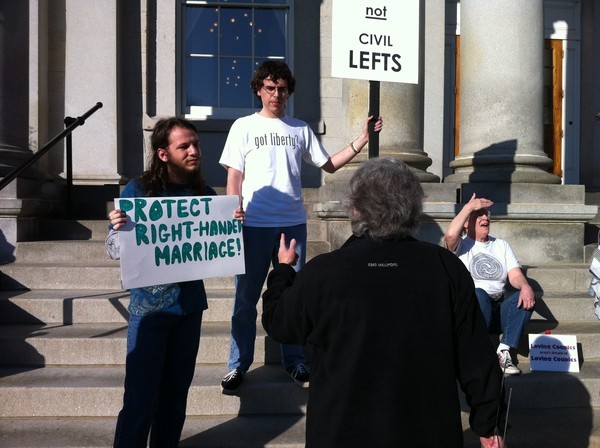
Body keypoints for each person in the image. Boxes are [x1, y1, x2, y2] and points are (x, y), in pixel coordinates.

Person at [261, 158, 507, 448]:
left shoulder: (324, 271)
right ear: (414, 208)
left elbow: (280, 324)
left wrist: (283, 271)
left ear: (355, 209)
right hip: (426, 430)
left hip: (342, 431)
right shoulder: (444, 267)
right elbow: (476, 358)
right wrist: (489, 424)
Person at [218, 60, 383, 394]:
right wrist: (231, 211)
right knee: (245, 299)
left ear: (288, 91)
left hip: (291, 225)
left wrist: (362, 139)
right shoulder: (243, 127)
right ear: (258, 89)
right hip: (252, 225)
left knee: (295, 296)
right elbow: (234, 176)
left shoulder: (300, 129)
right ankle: (238, 365)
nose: (276, 94)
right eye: (269, 87)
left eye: (281, 88)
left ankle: (295, 359)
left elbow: (329, 165)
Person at [106, 117, 217, 448]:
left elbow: (215, 248)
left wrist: (230, 226)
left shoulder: (206, 193)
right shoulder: (138, 191)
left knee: (175, 397)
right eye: (184, 146)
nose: (194, 151)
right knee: (140, 398)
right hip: (150, 311)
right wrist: (117, 230)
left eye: (196, 144)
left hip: (189, 308)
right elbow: (114, 252)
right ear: (163, 153)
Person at [444, 193, 535, 375]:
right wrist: (468, 207)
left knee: (524, 296)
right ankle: (478, 349)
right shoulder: (461, 246)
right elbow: (450, 234)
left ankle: (504, 350)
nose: (485, 217)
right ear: (466, 223)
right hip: (473, 311)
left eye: (486, 214)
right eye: (479, 215)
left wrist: (525, 286)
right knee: (478, 293)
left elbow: (515, 275)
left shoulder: (501, 245)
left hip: (498, 310)